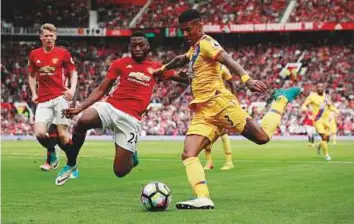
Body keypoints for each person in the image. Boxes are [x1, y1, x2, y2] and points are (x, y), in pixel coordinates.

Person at [153, 9, 302, 209]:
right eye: (182, 31)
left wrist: (246, 78)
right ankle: (203, 197)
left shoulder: (207, 43)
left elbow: (227, 59)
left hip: (220, 104)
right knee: (188, 154)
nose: (185, 35)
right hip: (203, 112)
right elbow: (182, 61)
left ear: (200, 25)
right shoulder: (195, 49)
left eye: (188, 30)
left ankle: (281, 99)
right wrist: (164, 71)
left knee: (262, 137)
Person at [55, 31, 188, 186]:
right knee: (83, 121)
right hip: (110, 107)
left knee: (120, 171)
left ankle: (132, 157)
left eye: (141, 45)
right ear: (129, 47)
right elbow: (101, 89)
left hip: (131, 119)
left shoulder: (157, 68)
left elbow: (181, 77)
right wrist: (80, 108)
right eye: (134, 45)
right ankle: (71, 163)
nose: (137, 48)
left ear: (148, 47)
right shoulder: (119, 64)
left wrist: (196, 76)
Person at [28, 23, 78, 171]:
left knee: (62, 135)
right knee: (40, 133)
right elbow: (31, 75)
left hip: (61, 98)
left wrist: (72, 89)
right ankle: (53, 151)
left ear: (55, 37)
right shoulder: (34, 55)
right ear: (41, 37)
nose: (49, 38)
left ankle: (72, 163)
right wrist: (34, 93)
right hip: (43, 99)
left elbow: (73, 72)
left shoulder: (63, 54)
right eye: (46, 36)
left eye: (51, 36)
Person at [203, 65, 236, 171]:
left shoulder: (222, 68)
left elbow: (232, 83)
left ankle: (229, 162)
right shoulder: (204, 68)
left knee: (223, 133)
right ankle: (209, 162)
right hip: (209, 104)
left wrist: (234, 100)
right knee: (206, 135)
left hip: (223, 103)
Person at [301, 83, 339, 161]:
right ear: (316, 88)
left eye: (321, 87)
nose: (320, 88)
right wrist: (304, 108)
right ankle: (326, 155)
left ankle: (319, 145)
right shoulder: (312, 96)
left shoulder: (327, 97)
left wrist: (336, 110)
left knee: (327, 139)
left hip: (326, 120)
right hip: (318, 120)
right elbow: (304, 104)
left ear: (324, 88)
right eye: (318, 87)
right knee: (324, 137)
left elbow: (330, 106)